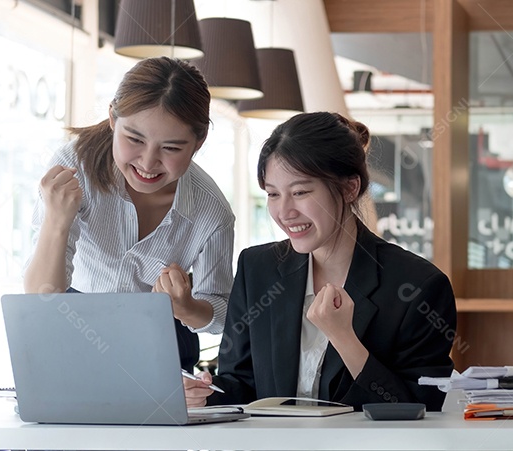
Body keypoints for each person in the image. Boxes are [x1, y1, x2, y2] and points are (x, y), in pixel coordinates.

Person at [184, 112, 456, 411]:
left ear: (350, 188)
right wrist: (205, 394)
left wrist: (343, 337)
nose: (284, 211)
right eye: (273, 194)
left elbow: (418, 410)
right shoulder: (257, 268)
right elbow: (242, 386)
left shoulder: (418, 286)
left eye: (300, 192)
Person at [23, 57, 234, 371]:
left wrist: (186, 307)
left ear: (198, 142)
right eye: (134, 139)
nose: (148, 163)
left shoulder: (211, 211)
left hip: (161, 337)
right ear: (112, 119)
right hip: (69, 325)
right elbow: (42, 297)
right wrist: (56, 221)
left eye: (172, 148)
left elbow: (220, 314)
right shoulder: (73, 167)